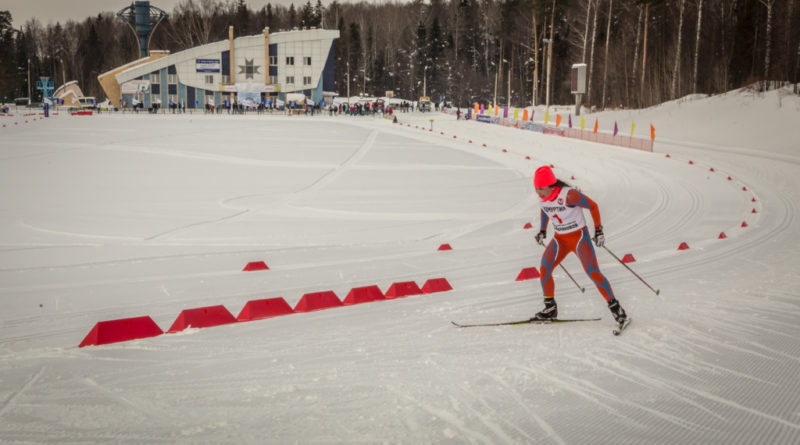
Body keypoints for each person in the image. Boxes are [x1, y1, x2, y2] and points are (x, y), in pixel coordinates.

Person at [531, 165, 627, 324]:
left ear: (551, 185)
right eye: (536, 188)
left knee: (592, 272)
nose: (538, 192)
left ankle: (616, 307)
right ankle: (550, 308)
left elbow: (593, 206)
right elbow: (545, 210)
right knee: (544, 268)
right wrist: (542, 230)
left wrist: (598, 231)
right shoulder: (543, 198)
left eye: (541, 188)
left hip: (579, 238)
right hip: (560, 239)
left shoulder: (569, 195)